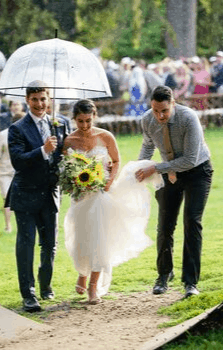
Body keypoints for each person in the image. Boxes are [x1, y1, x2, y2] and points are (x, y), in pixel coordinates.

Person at [63, 99, 162, 304]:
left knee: (99, 240)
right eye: (80, 121)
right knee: (80, 239)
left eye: (88, 121)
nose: (84, 126)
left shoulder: (105, 136)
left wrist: (109, 180)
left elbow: (116, 161)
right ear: (74, 120)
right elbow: (66, 168)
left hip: (101, 195)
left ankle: (93, 287)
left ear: (94, 116)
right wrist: (74, 181)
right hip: (80, 197)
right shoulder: (69, 141)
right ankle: (82, 273)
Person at [135, 86, 213, 298]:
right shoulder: (147, 119)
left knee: (192, 222)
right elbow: (148, 147)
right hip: (169, 173)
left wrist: (156, 168)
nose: (159, 116)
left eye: (164, 111)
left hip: (198, 171)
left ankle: (190, 282)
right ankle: (163, 274)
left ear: (173, 104)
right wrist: (138, 167)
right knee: (165, 225)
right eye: (155, 110)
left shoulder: (188, 118)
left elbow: (189, 159)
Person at [6, 80, 69, 312]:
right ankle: (28, 294)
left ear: (49, 99)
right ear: (27, 101)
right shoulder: (17, 128)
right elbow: (18, 161)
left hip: (51, 193)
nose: (40, 104)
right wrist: (43, 150)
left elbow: (67, 154)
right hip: (25, 194)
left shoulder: (61, 123)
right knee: (27, 244)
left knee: (50, 243)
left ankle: (45, 286)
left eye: (43, 99)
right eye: (35, 100)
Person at [0, 112, 25, 232]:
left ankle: (22, 224)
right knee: (6, 198)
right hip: (5, 173)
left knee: (22, 200)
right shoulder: (3, 135)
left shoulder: (27, 134)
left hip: (21, 172)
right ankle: (8, 225)